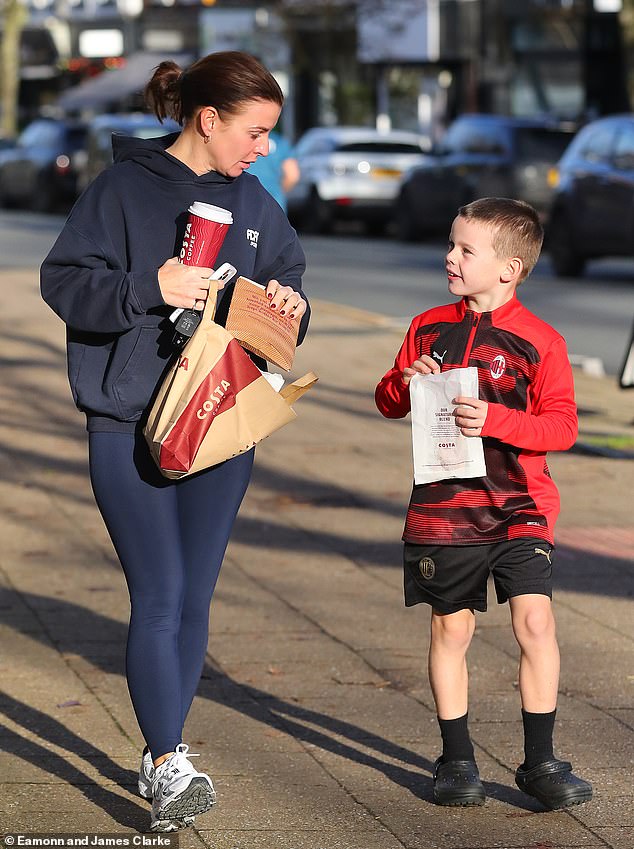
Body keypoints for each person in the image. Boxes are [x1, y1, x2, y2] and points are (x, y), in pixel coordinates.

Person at [40, 51, 310, 832]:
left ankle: (169, 752)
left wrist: (287, 305)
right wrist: (146, 289)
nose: (263, 149)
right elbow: (62, 281)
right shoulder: (123, 189)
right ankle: (165, 759)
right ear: (209, 118)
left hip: (222, 421)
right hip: (128, 420)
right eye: (254, 133)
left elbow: (291, 292)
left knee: (194, 597)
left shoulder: (256, 203)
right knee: (157, 593)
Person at [375, 198, 592, 811]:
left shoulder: (541, 341)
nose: (450, 257)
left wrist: (497, 419)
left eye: (466, 250)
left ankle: (541, 761)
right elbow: (389, 401)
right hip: (444, 512)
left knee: (536, 623)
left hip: (521, 508)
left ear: (510, 268)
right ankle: (457, 758)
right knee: (452, 628)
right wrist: (404, 382)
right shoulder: (427, 326)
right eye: (451, 244)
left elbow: (563, 427)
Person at [248, 128, 300, 212]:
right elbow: (293, 176)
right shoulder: (280, 141)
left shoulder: (246, 139)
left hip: (247, 200)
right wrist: (278, 191)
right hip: (274, 202)